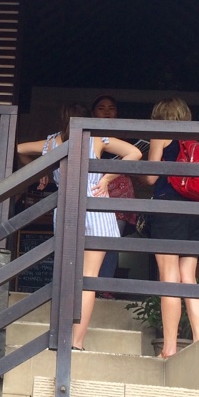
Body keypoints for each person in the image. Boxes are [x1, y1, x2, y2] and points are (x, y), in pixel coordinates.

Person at [17, 102, 142, 351]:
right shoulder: (97, 137)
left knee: (67, 276)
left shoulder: (51, 143)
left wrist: (42, 172)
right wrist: (107, 177)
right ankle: (77, 342)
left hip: (66, 209)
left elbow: (19, 148)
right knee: (89, 279)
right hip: (96, 207)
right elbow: (135, 153)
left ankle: (61, 336)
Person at [142, 97, 199, 358]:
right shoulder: (194, 141)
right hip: (195, 210)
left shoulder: (160, 135)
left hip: (168, 209)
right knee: (188, 278)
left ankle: (169, 348)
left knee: (169, 277)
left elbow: (150, 177)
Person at [90, 95, 137, 283]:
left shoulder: (123, 135)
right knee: (91, 239)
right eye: (101, 108)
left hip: (120, 192)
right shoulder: (88, 135)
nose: (107, 112)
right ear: (93, 113)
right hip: (95, 189)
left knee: (112, 239)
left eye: (111, 108)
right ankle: (88, 284)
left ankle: (105, 287)